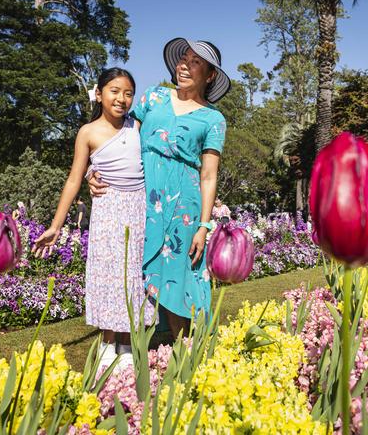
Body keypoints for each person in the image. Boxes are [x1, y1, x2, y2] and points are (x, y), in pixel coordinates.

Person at [89, 38, 230, 340]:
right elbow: (121, 141)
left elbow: (208, 175)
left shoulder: (213, 119)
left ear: (210, 75)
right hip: (142, 200)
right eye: (184, 58)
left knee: (180, 275)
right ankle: (136, 344)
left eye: (195, 62)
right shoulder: (153, 97)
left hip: (184, 209)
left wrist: (204, 226)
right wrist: (94, 168)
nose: (184, 65)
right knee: (136, 270)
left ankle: (186, 351)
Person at [32, 67, 154, 370]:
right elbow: (74, 178)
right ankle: (107, 342)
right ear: (99, 94)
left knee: (132, 275)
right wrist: (56, 225)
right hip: (108, 208)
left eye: (128, 93)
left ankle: (126, 344)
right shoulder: (88, 132)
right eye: (114, 91)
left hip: (138, 207)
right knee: (108, 273)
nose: (121, 98)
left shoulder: (138, 125)